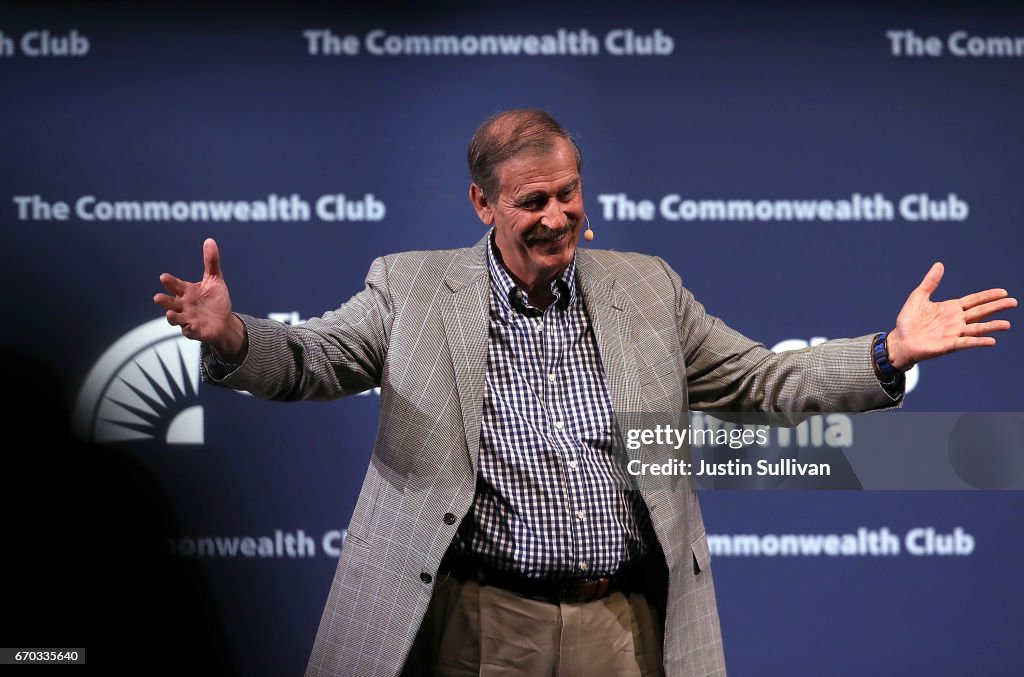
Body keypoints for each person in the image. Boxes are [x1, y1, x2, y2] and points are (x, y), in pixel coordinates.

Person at [154, 109, 1015, 677]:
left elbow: (758, 377)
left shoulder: (645, 286)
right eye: (533, 201)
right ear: (482, 203)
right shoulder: (411, 288)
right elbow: (312, 359)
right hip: (480, 626)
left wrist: (887, 351)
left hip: (622, 626)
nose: (559, 215)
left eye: (569, 192)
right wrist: (233, 336)